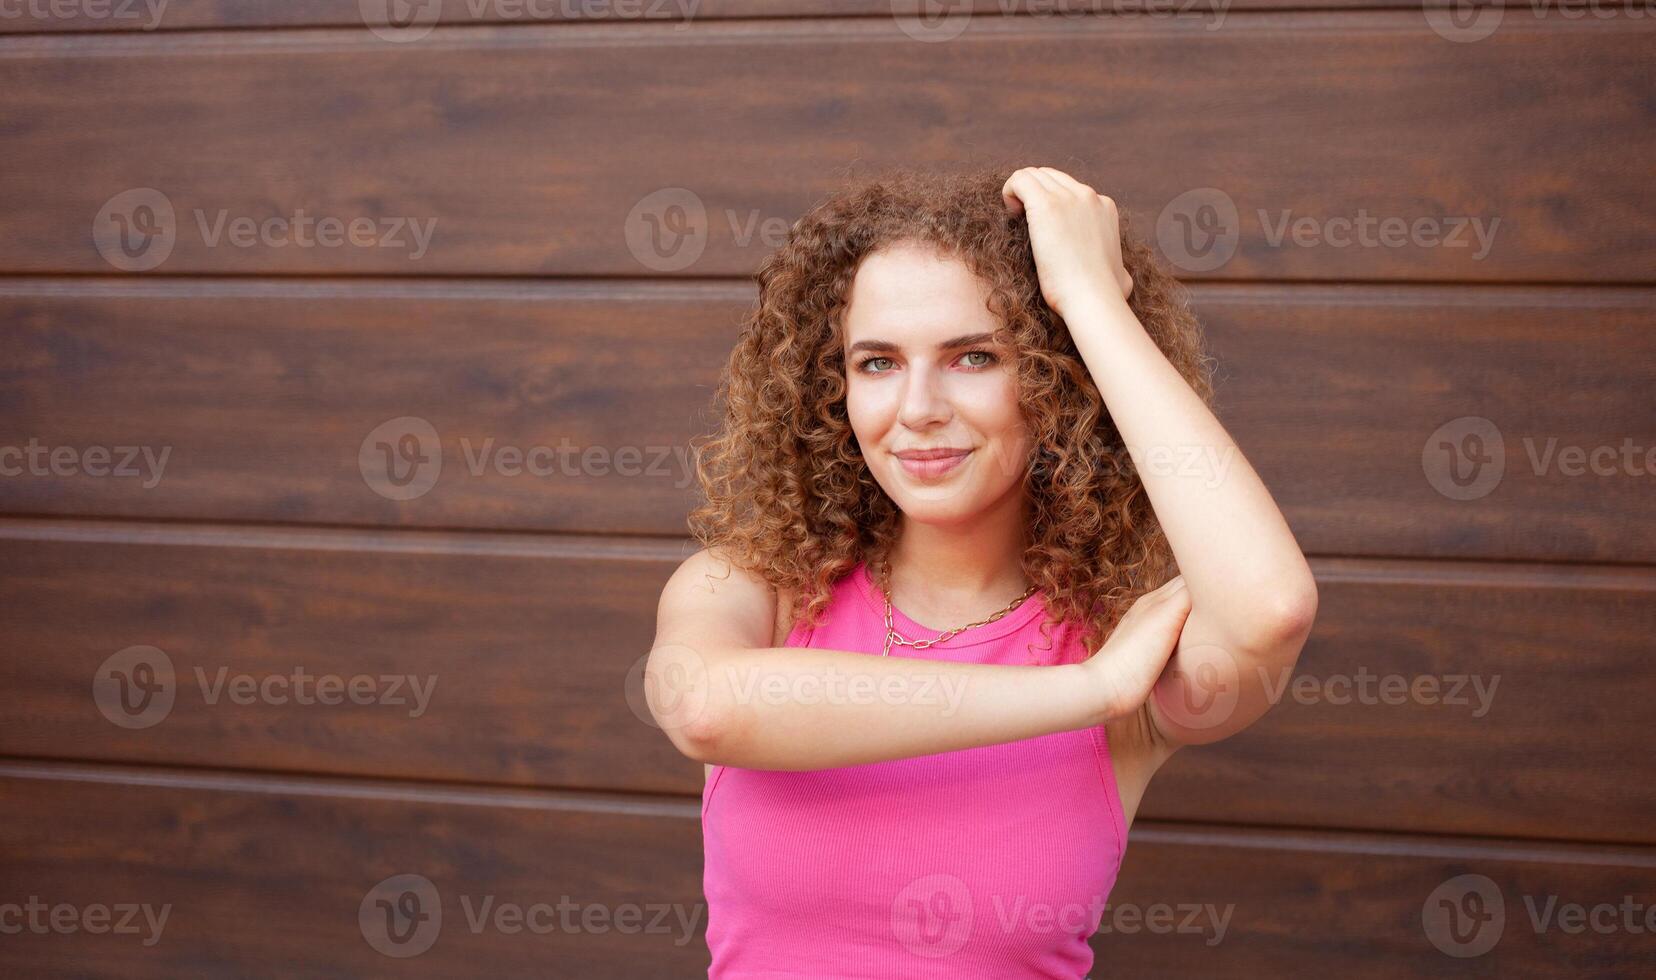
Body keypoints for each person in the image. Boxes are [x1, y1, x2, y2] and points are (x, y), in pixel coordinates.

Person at [645, 166, 1318, 978]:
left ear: (1055, 381)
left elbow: (1271, 609)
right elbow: (703, 706)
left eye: (973, 357)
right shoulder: (759, 590)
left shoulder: (1119, 648)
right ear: (834, 392)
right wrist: (1089, 692)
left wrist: (1093, 303)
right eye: (878, 363)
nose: (919, 407)